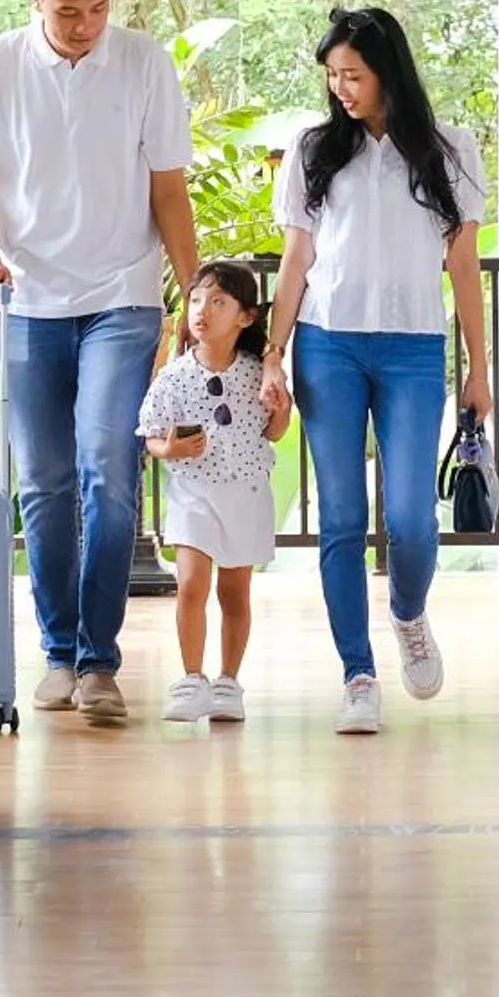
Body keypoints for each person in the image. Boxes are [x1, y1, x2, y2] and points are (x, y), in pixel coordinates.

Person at [0, 0, 198, 727]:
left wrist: (193, 295)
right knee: (45, 483)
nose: (85, 26)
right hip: (28, 300)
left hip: (123, 295)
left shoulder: (145, 64)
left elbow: (169, 193)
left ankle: (98, 661)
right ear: (34, 0)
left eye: (97, 9)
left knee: (108, 471)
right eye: (67, 12)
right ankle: (57, 652)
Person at [261, 6, 491, 734]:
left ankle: (409, 615)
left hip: (414, 348)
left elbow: (463, 266)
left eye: (353, 75)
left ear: (388, 72)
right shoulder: (313, 150)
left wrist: (478, 369)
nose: (341, 88)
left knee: (412, 519)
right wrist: (273, 353)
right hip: (327, 345)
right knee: (340, 518)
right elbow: (297, 259)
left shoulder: (450, 150)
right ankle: (357, 674)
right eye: (333, 76)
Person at [137, 261, 290, 725]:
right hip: (192, 493)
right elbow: (151, 436)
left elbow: (274, 431)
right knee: (190, 585)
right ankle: (191, 678)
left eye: (218, 302)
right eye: (197, 300)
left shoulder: (258, 374)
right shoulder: (174, 376)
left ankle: (228, 682)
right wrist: (170, 448)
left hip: (245, 492)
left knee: (234, 592)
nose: (202, 311)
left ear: (245, 317)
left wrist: (281, 409)